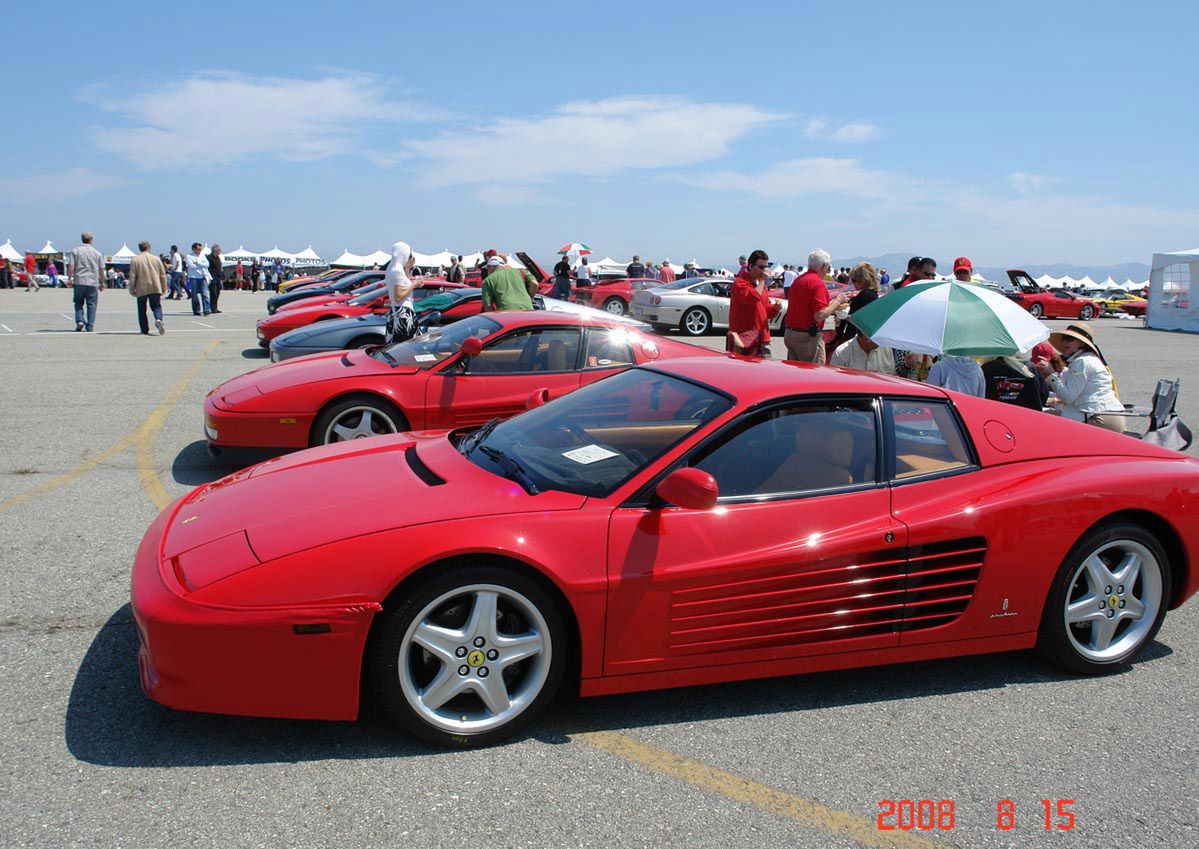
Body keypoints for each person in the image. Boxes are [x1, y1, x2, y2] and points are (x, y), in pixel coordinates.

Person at [1035, 322, 1124, 432]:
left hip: (1099, 418)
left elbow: (1068, 397)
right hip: (1103, 416)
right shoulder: (1087, 359)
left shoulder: (1081, 362)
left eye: (1069, 338)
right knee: (1048, 415)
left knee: (1044, 420)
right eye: (1064, 338)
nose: (1064, 342)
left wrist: (1051, 375)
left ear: (1081, 343)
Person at [784, 249, 847, 363]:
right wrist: (838, 301)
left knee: (795, 374)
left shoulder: (798, 281)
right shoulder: (817, 284)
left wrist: (831, 306)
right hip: (807, 337)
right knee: (814, 373)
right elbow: (819, 315)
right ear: (824, 266)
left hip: (791, 333)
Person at [727, 249, 781, 358]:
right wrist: (763, 281)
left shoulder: (761, 286)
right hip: (744, 339)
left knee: (765, 372)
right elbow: (752, 298)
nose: (764, 270)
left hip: (762, 338)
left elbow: (765, 311)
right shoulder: (740, 283)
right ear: (751, 266)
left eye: (766, 267)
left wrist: (775, 308)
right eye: (761, 267)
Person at [829, 262, 881, 352]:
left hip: (855, 340)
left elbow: (863, 319)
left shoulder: (866, 295)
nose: (852, 283)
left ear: (863, 280)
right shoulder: (871, 294)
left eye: (854, 280)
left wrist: (846, 317)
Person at [983, 343, 1050, 410]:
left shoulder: (986, 368)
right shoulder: (1029, 367)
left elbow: (979, 396)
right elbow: (1043, 397)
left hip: (995, 416)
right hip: (1027, 416)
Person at [128, 240, 167, 335]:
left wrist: (131, 288)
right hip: (155, 286)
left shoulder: (135, 260)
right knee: (156, 306)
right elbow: (162, 274)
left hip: (141, 287)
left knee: (142, 309)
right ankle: (158, 319)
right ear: (149, 247)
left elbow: (132, 276)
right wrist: (164, 286)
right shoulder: (156, 259)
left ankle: (144, 329)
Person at [68, 232, 105, 331]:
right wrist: (102, 282)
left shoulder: (75, 251)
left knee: (78, 302)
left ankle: (80, 320)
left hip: (79, 280)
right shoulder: (97, 253)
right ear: (91, 240)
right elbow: (102, 269)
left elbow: (71, 266)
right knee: (92, 304)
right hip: (92, 282)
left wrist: (69, 279)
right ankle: (90, 325)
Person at [384, 240, 418, 343]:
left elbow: (403, 284)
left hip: (396, 311)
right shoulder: (398, 271)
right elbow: (398, 296)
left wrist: (407, 268)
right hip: (403, 313)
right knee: (406, 347)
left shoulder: (392, 269)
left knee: (396, 347)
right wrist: (414, 285)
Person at [830, 329, 896, 374]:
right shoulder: (842, 353)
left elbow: (892, 375)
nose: (878, 341)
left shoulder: (885, 348)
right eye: (874, 338)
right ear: (862, 335)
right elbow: (836, 382)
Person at [184, 242, 210, 315]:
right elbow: (192, 266)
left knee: (205, 294)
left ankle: (206, 310)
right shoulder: (189, 256)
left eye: (200, 249)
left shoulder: (202, 255)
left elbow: (207, 264)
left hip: (202, 277)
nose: (200, 251)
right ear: (194, 249)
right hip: (193, 277)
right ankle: (196, 310)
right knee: (194, 295)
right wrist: (202, 265)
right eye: (198, 249)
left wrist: (198, 263)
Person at [207, 244, 224, 313]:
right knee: (213, 293)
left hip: (218, 277)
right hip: (212, 277)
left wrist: (222, 275)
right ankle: (212, 308)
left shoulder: (218, 258)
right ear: (215, 250)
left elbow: (220, 268)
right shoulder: (209, 257)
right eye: (219, 250)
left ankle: (215, 307)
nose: (220, 251)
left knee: (217, 293)